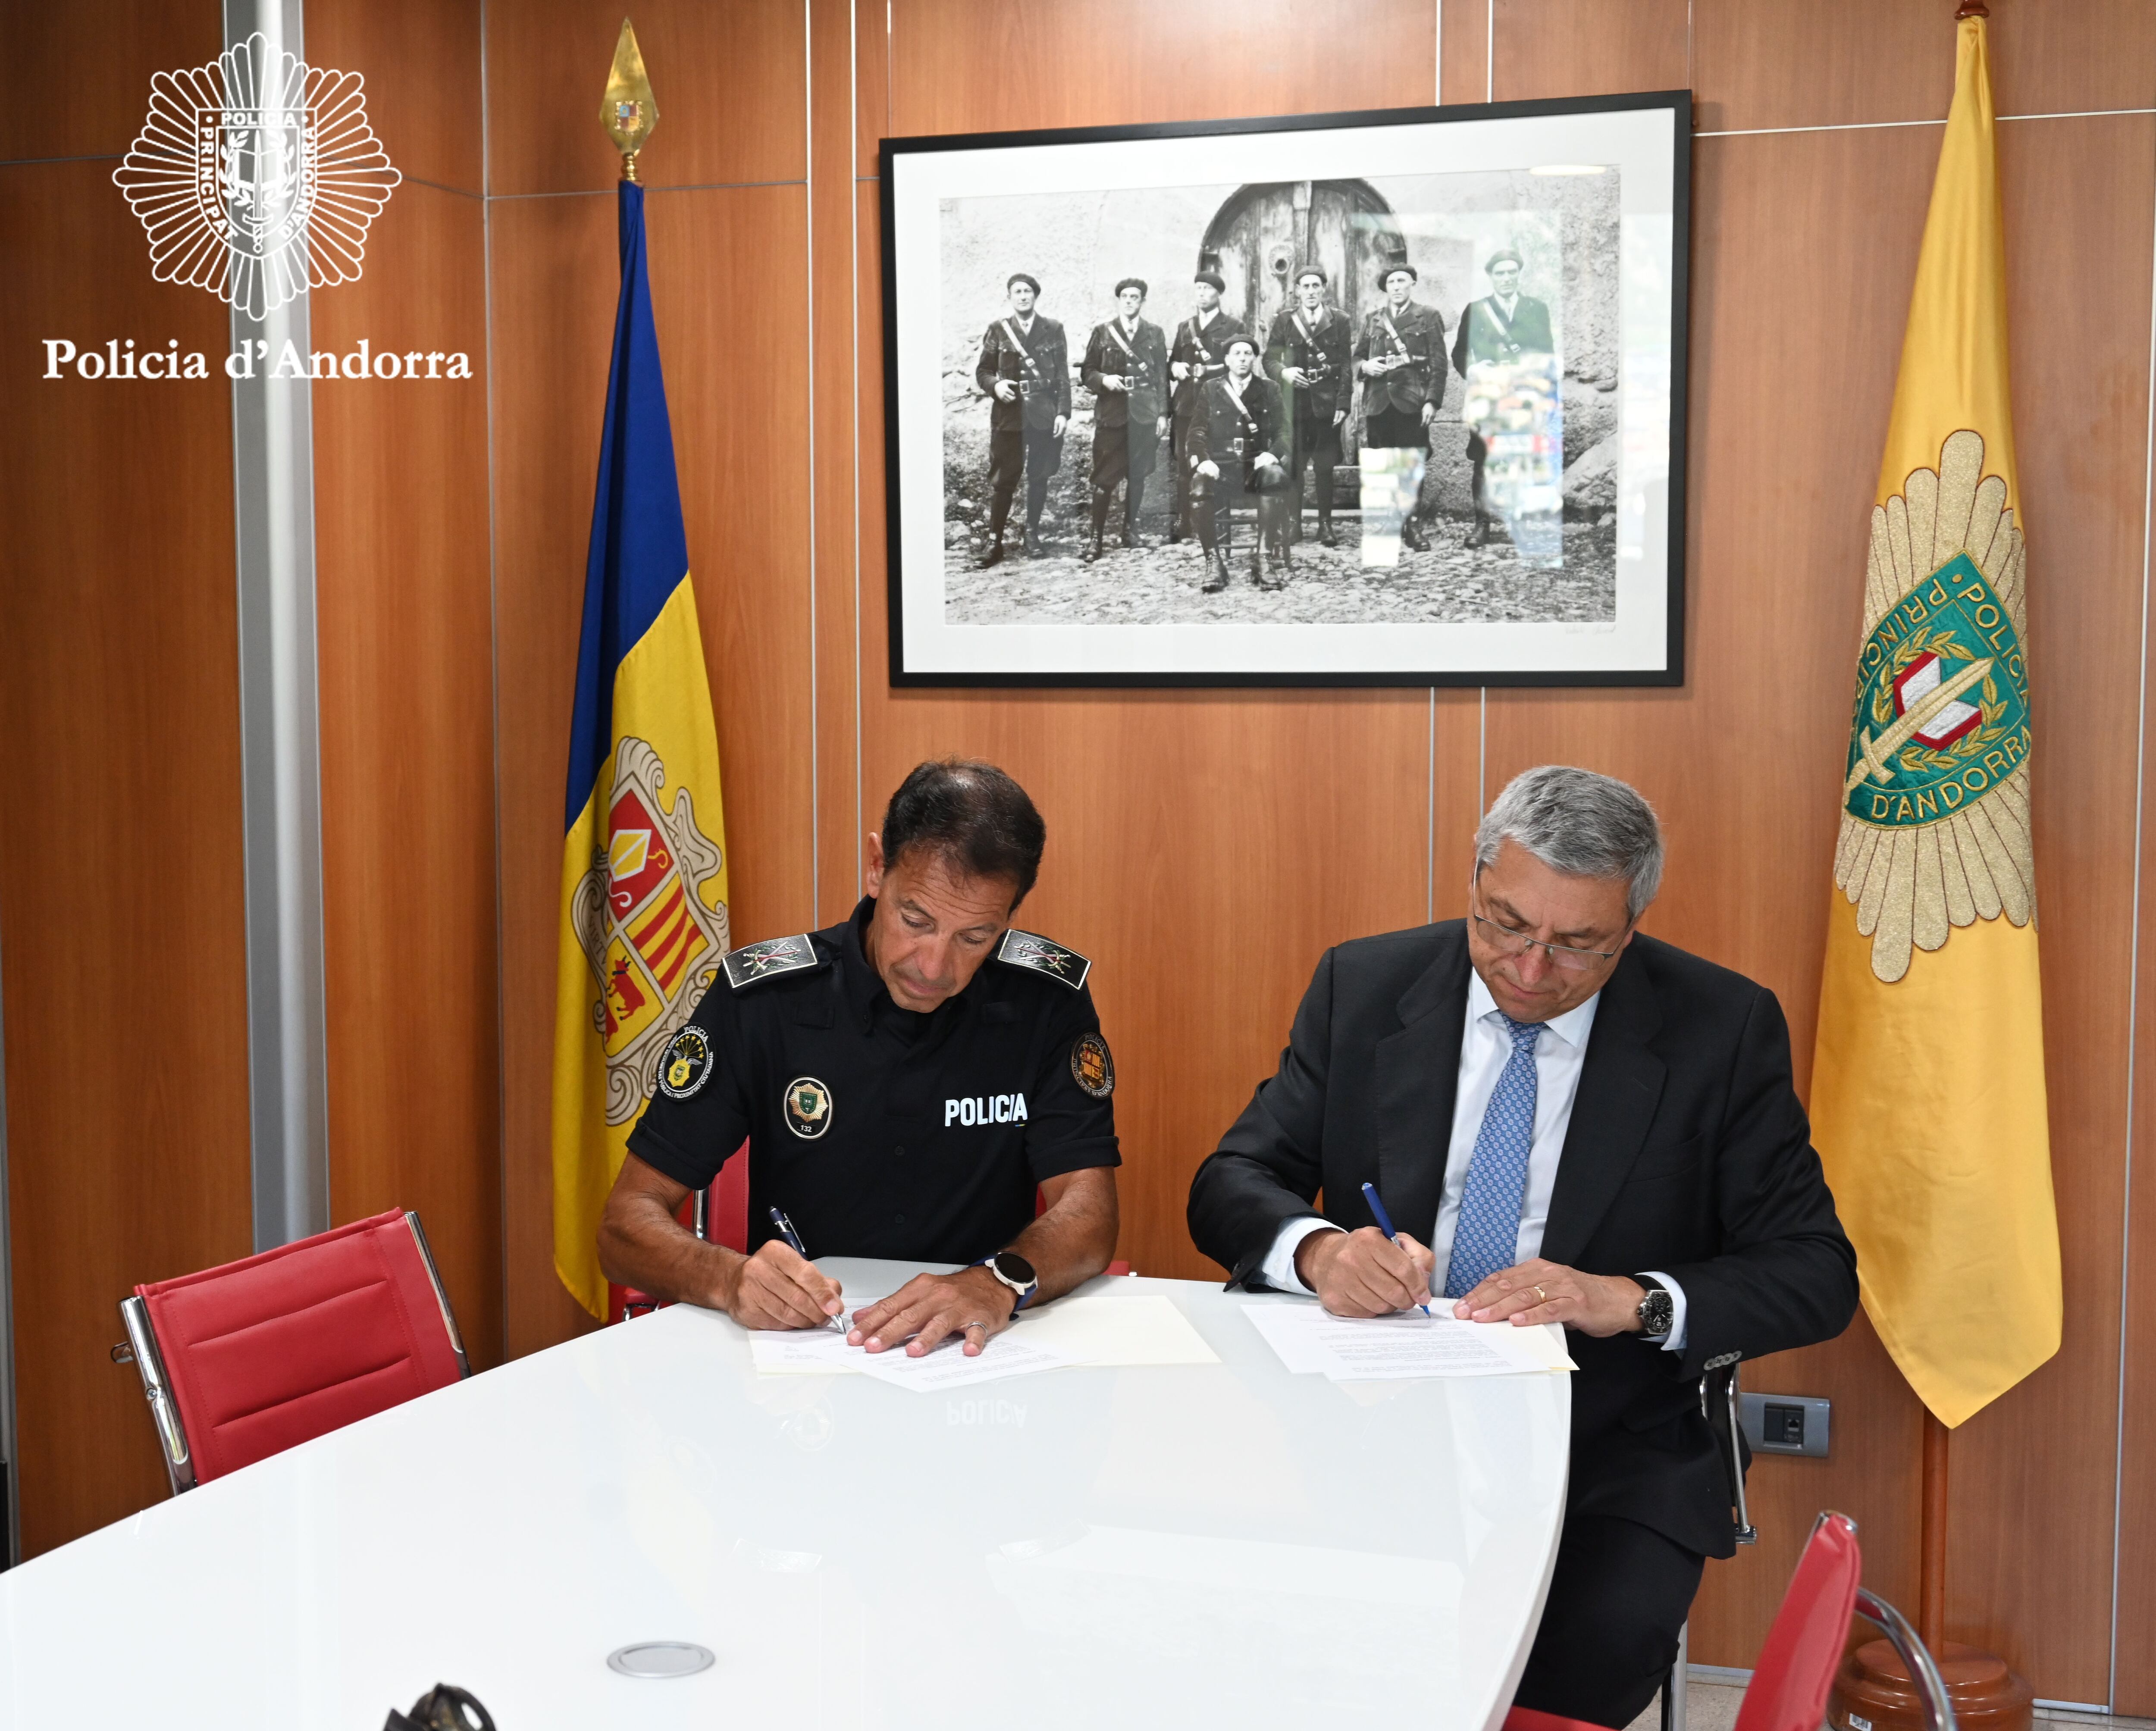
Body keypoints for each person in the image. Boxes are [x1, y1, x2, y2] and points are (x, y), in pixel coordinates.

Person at [1185, 765, 1858, 1728]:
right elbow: (1232, 1181)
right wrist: (1321, 1251)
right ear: (1473, 882)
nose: (1530, 967)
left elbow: (1815, 1270)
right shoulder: (1365, 986)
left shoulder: (1722, 1027)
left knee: (1563, 1681)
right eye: (1503, 923)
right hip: (1376, 1428)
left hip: (1610, 1445)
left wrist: (1629, 1300)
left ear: (1630, 928)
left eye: (1577, 943)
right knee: (1309, 1664)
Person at [600, 759, 1121, 1359]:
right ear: (877, 867)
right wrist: (729, 1277)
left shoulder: (1044, 1001)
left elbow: (1089, 1213)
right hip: (807, 1354)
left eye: (974, 937)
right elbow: (624, 1224)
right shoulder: (766, 1000)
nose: (934, 965)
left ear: (1009, 917)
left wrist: (996, 1280)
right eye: (915, 919)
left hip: (974, 1352)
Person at [1451, 248, 1557, 549]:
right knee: (1484, 460)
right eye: (1501, 273)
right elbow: (1459, 353)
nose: (1507, 278)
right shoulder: (1476, 310)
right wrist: (1473, 368)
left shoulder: (1536, 309)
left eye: (1512, 272)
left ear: (1519, 275)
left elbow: (1546, 355)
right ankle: (1482, 525)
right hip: (1487, 395)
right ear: (1491, 277)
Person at [973, 274, 1071, 565]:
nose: (1023, 296)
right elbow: (983, 371)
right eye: (1017, 292)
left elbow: (1064, 376)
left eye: (1028, 291)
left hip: (1043, 413)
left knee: (1039, 477)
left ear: (1035, 296)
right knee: (1004, 479)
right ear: (1010, 297)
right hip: (1009, 415)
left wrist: (1064, 412)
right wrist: (996, 386)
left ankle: (1032, 535)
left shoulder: (1053, 329)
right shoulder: (998, 330)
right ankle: (995, 543)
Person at [1187, 333, 1291, 594]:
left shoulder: (1269, 389)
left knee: (1275, 476)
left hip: (1254, 466)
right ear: (1227, 359)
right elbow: (1196, 431)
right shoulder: (1211, 388)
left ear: (1255, 359)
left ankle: (1263, 559)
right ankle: (1214, 562)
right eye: (1237, 354)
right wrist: (1203, 461)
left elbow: (1284, 432)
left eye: (1248, 354)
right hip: (1221, 467)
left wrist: (1273, 454)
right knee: (1199, 487)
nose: (1243, 358)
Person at [1355, 259, 1447, 552]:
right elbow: (1356, 357)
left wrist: (1432, 401)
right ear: (1386, 288)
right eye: (1392, 283)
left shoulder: (1428, 316)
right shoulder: (1373, 319)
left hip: (1412, 402)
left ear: (1412, 285)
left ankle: (1412, 525)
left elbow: (1439, 364)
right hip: (1378, 403)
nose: (1397, 287)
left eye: (1402, 281)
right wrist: (1365, 366)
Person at [1078, 277, 1170, 560]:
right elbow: (1087, 372)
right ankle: (1096, 540)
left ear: (1143, 302)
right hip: (1112, 416)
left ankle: (1130, 533)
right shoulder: (1103, 332)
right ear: (1118, 301)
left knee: (1138, 475)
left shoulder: (1154, 333)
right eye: (1126, 297)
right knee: (1104, 479)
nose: (1130, 301)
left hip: (1144, 415)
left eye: (1136, 297)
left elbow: (1161, 377)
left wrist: (1163, 414)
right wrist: (1105, 380)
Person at [1264, 264, 1353, 548]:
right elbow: (1269, 359)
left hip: (1327, 405)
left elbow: (1347, 365)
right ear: (1298, 291)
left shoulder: (1339, 320)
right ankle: (1295, 523)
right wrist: (1284, 373)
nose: (1311, 291)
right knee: (1295, 466)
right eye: (1306, 286)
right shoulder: (1285, 321)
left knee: (1325, 466)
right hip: (1295, 405)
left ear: (1323, 289)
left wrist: (1344, 402)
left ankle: (1326, 524)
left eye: (1316, 286)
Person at [1167, 265, 1246, 545]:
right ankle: (1186, 523)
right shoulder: (1184, 328)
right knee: (1185, 465)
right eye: (1198, 288)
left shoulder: (1234, 327)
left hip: (1219, 407)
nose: (1202, 294)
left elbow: (1241, 366)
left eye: (1208, 289)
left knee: (1217, 462)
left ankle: (1215, 522)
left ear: (1219, 294)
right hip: (1187, 406)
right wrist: (1175, 365)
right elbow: (1171, 363)